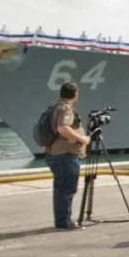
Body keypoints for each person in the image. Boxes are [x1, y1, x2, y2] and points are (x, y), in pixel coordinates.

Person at [45, 82, 90, 230]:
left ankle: (61, 220)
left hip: (54, 153)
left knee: (60, 189)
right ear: (75, 94)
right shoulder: (65, 108)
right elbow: (62, 127)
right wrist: (82, 139)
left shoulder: (54, 107)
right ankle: (65, 221)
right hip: (65, 154)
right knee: (67, 189)